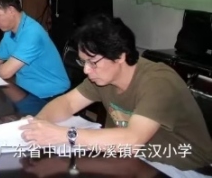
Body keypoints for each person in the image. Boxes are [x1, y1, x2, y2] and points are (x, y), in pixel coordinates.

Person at [20, 14, 212, 177]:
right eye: (83, 62)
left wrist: (64, 135)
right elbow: (68, 103)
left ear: (120, 56)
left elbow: (132, 139)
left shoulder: (158, 82)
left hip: (180, 168)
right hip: (132, 159)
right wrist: (38, 123)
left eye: (92, 62)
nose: (86, 70)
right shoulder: (103, 77)